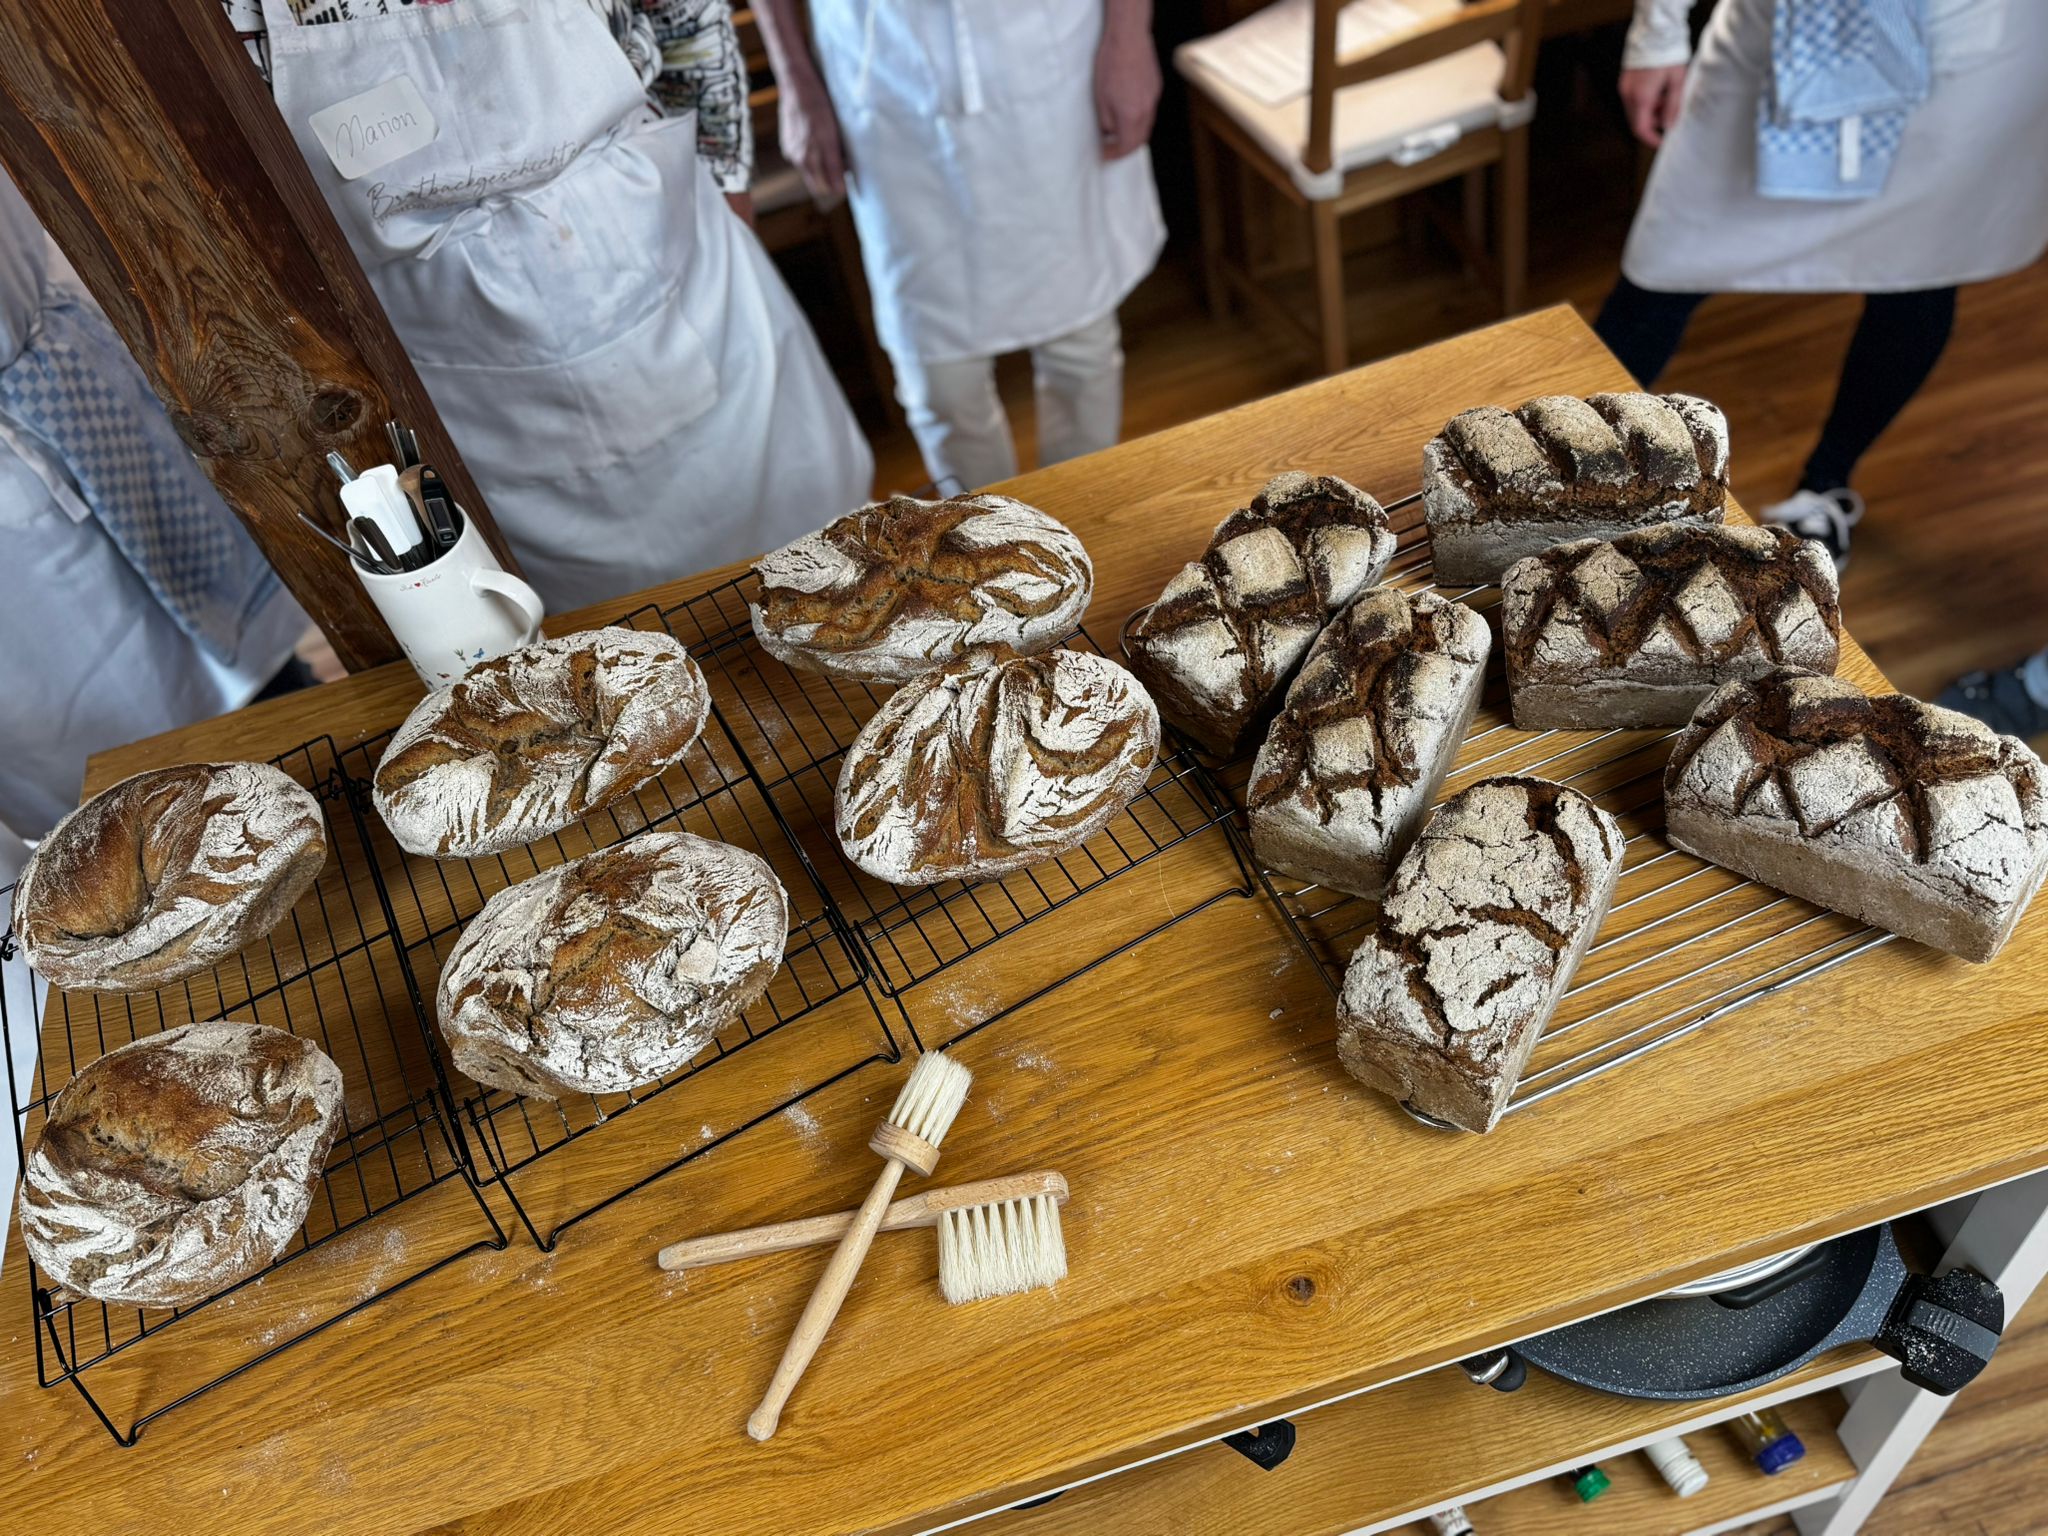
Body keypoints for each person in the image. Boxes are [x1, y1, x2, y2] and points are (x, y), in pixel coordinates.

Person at [229, 0, 874, 613]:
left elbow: (686, 18)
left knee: (837, 578)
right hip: (436, 332)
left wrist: (726, 180)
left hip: (668, 247)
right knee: (587, 661)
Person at [1593, 0, 2046, 588]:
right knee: (1662, 271)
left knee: (1915, 274)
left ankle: (1827, 481)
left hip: (1964, 55)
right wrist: (1658, 32)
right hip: (1771, 33)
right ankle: (1565, 474)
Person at [0, 173, 311, 838]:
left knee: (255, 669)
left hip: (63, 381)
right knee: (119, 794)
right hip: (21, 576)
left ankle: (309, 731)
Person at [755, 0, 1167, 492]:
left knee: (1081, 345)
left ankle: (1083, 514)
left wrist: (1129, 37)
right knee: (940, 384)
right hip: (883, 67)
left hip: (1049, 51)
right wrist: (796, 81)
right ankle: (979, 541)